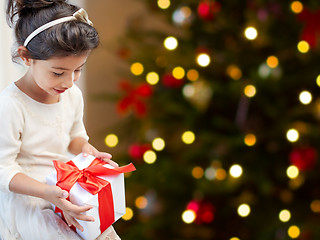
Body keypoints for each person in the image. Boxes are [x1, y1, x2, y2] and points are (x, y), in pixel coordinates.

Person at [0, 0, 121, 239]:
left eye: (78, 70)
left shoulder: (72, 95)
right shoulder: (11, 106)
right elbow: (3, 169)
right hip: (31, 198)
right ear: (26, 57)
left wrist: (89, 152)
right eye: (58, 73)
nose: (69, 82)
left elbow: (73, 139)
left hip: (65, 189)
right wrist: (48, 192)